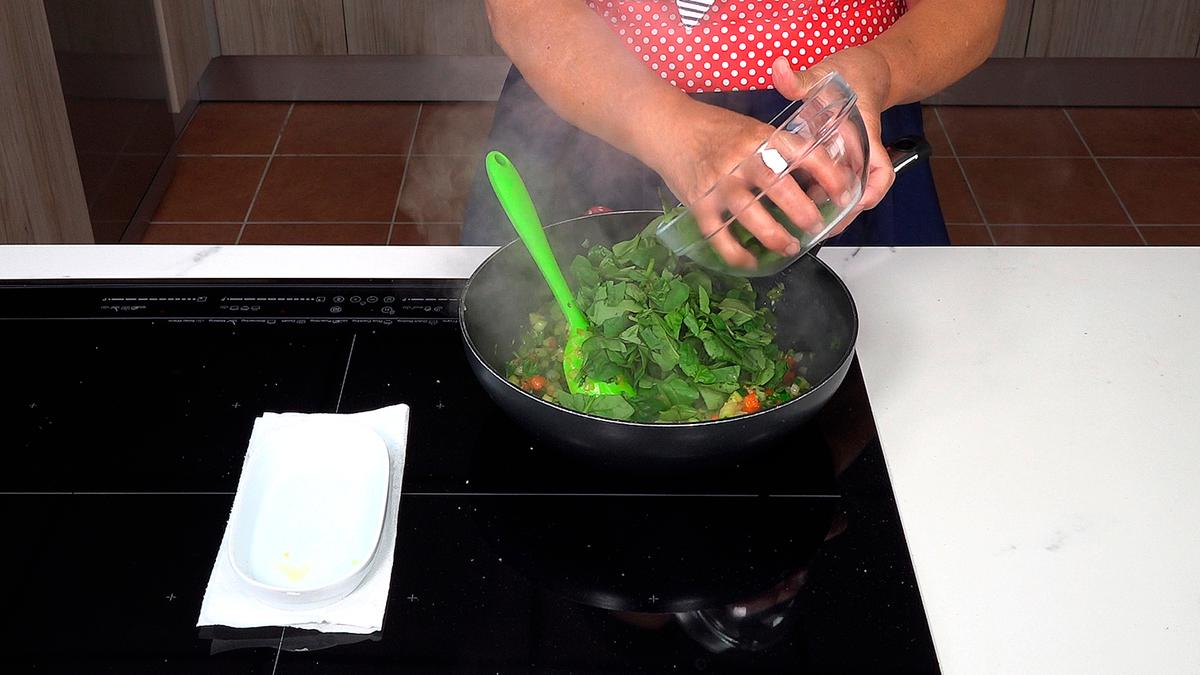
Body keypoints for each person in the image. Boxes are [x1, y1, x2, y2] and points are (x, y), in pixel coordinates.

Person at [463, 0, 1005, 250]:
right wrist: (671, 128)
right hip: (592, 102)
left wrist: (881, 67)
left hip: (826, 126)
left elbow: (969, 12)